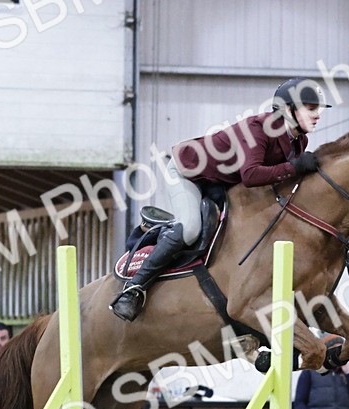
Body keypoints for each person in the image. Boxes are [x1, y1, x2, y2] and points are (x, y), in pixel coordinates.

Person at [111, 77, 331, 322]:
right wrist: (295, 168)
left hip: (221, 181)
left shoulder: (299, 140)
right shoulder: (258, 130)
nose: (318, 115)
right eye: (311, 109)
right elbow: (251, 175)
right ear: (288, 109)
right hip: (188, 172)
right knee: (191, 229)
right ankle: (133, 289)